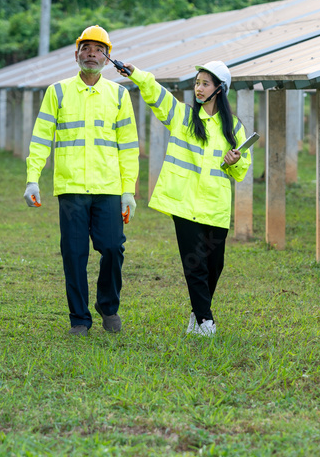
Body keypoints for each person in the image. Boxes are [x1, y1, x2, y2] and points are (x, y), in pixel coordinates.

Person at [121, 59, 250, 337]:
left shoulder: (234, 129)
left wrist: (234, 160)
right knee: (195, 264)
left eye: (205, 83)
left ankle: (196, 313)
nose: (199, 88)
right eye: (197, 83)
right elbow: (157, 96)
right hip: (184, 202)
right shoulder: (182, 117)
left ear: (219, 89)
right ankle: (206, 321)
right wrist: (137, 74)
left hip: (215, 205)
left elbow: (240, 171)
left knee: (215, 264)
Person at [23, 25, 139, 336]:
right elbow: (41, 137)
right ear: (76, 55)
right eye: (86, 49)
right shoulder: (57, 92)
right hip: (71, 188)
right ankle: (79, 319)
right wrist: (32, 179)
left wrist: (128, 191)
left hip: (108, 189)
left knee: (113, 248)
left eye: (98, 50)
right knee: (74, 254)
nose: (91, 54)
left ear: (107, 58)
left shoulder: (119, 95)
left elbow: (129, 147)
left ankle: (108, 306)